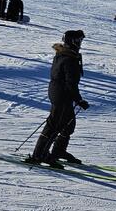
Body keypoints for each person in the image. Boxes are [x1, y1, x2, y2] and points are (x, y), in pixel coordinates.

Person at [26, 30, 90, 168]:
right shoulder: (68, 58)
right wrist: (79, 100)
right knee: (54, 125)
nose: (80, 44)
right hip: (62, 94)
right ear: (72, 42)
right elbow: (70, 83)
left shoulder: (65, 55)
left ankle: (59, 151)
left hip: (60, 92)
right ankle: (39, 154)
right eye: (79, 41)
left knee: (68, 124)